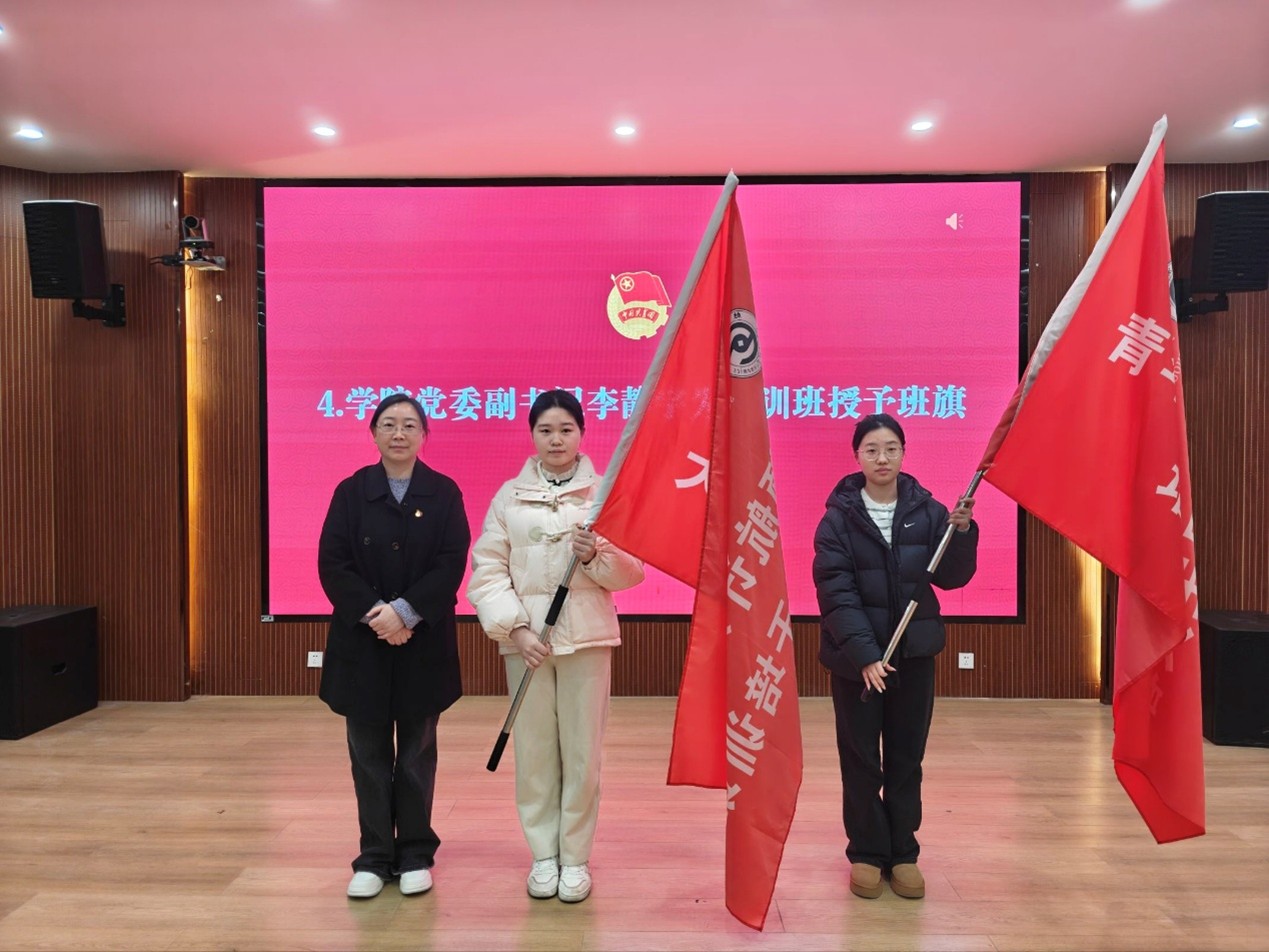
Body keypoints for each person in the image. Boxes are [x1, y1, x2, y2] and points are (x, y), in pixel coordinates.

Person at [467, 389, 643, 903]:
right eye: (545, 430)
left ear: (582, 433)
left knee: (583, 755)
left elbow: (631, 571)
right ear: (532, 435)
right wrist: (515, 630)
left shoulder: (604, 494)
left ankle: (576, 858)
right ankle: (543, 855)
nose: (556, 439)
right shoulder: (508, 497)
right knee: (535, 752)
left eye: (566, 429)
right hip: (526, 645)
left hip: (586, 638)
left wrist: (594, 557)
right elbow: (487, 569)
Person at [812, 412, 978, 901]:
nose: (881, 458)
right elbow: (836, 593)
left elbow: (951, 578)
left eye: (890, 448)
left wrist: (962, 533)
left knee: (907, 758)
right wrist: (865, 657)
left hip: (913, 657)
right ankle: (866, 852)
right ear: (857, 456)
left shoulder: (930, 512)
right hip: (856, 664)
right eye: (871, 449)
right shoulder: (837, 519)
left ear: (903, 453)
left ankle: (903, 852)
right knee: (861, 759)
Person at [317, 393, 471, 899]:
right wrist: (377, 615)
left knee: (416, 756)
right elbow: (333, 563)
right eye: (388, 424)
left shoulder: (444, 492)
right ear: (374, 433)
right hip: (363, 644)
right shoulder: (350, 492)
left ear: (425, 434)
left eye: (409, 424)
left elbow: (451, 562)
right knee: (367, 754)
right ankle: (374, 856)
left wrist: (404, 613)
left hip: (421, 641)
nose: (398, 433)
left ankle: (416, 854)